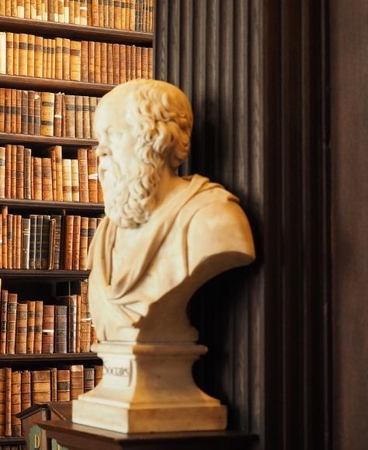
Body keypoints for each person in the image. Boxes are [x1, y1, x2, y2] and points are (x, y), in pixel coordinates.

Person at [87, 78, 256, 343]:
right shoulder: (107, 232)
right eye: (100, 139)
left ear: (156, 139)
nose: (100, 151)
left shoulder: (213, 220)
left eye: (114, 135)